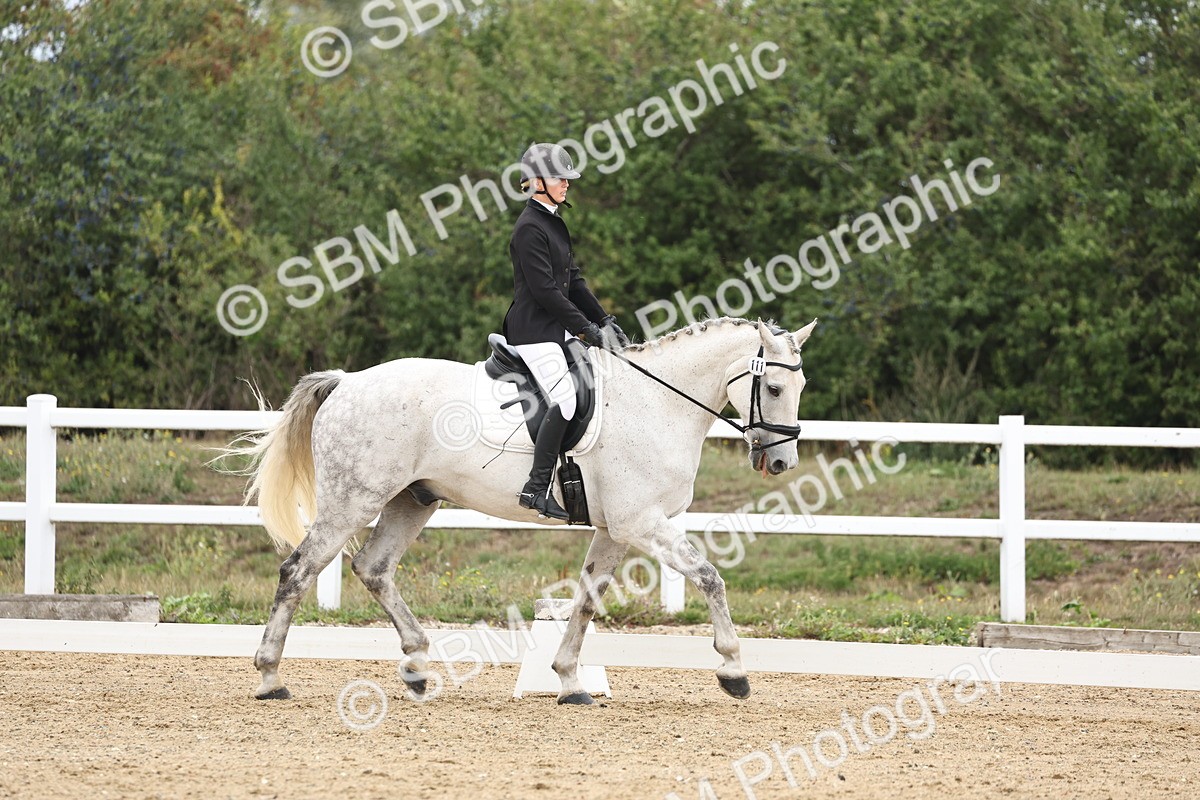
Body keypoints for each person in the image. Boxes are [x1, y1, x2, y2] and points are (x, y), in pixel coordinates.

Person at [503, 142, 629, 519]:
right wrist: (586, 330)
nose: (567, 184)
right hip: (533, 331)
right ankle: (536, 488)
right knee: (568, 399)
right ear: (537, 182)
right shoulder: (528, 228)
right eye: (560, 178)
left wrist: (605, 320)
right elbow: (544, 291)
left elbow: (572, 281)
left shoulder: (553, 221)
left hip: (556, 330)